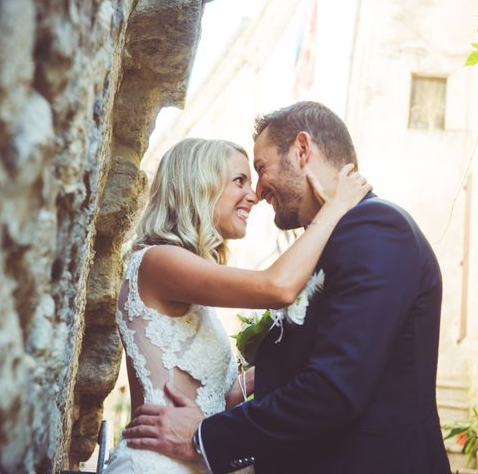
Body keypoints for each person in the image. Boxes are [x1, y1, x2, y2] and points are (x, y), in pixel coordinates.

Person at [122, 102, 451, 474]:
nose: (259, 192)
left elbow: (333, 389)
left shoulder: (376, 228)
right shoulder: (327, 243)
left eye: (260, 170)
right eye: (242, 179)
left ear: (301, 150)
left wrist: (205, 437)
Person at [104, 136, 371, 474]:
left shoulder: (187, 277)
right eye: (239, 181)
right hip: (156, 463)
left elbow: (219, 396)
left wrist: (298, 355)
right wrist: (335, 208)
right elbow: (278, 286)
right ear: (198, 184)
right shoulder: (159, 261)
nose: (255, 195)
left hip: (191, 458)